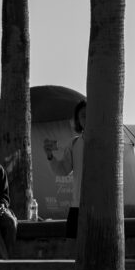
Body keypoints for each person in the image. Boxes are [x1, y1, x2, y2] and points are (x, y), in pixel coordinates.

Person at [43, 100, 87, 237]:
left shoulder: (105, 142)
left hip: (100, 205)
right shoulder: (74, 143)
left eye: (91, 114)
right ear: (78, 120)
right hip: (77, 204)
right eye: (83, 116)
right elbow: (63, 170)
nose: (87, 118)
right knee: (71, 243)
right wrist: (50, 156)